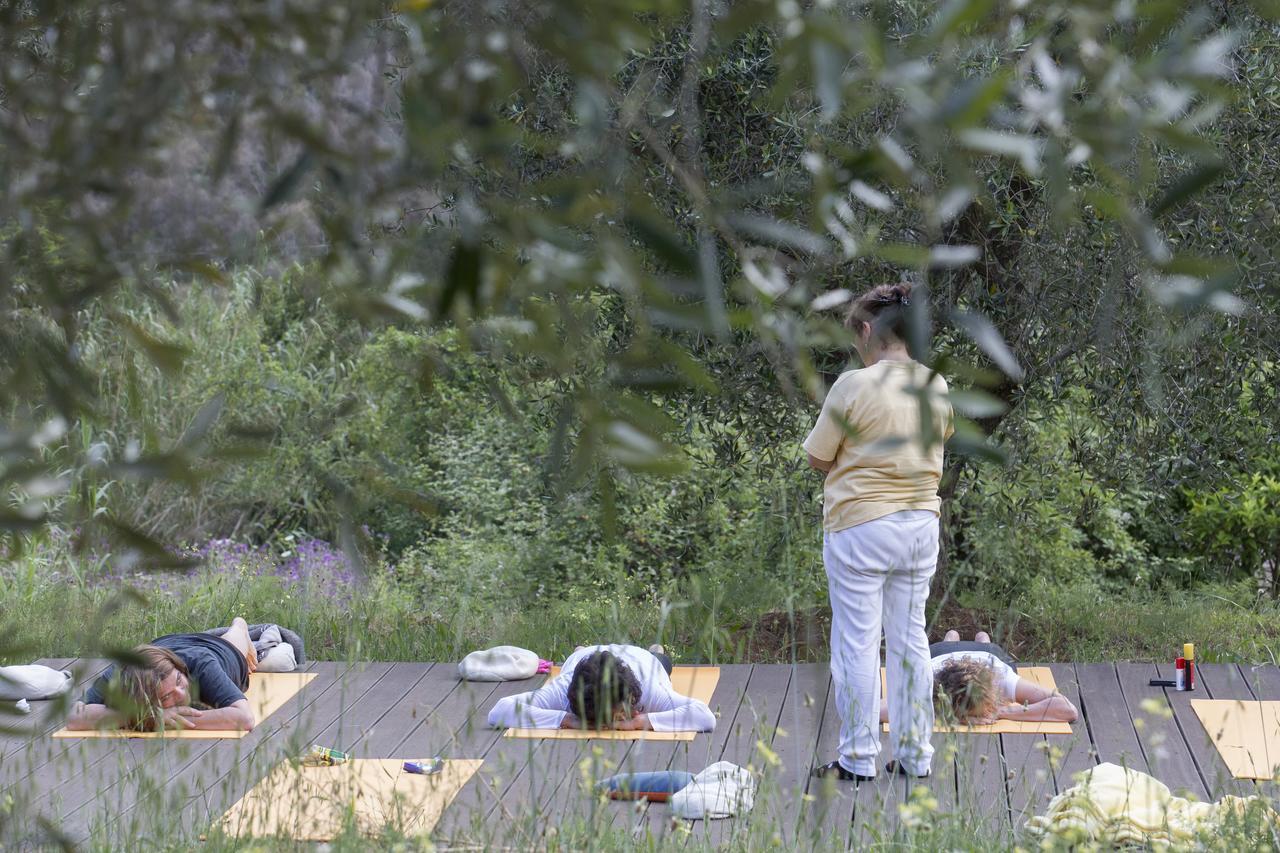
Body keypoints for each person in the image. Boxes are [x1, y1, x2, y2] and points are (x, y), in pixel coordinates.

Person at [806, 281, 953, 783]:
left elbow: (817, 456)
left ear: (867, 331)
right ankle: (916, 756)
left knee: (858, 643)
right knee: (910, 638)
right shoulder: (934, 385)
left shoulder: (854, 384)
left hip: (861, 527)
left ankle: (858, 758)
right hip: (920, 526)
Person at [66, 617, 259, 732]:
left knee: (236, 638)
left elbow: (245, 718)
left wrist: (172, 720)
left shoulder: (203, 665)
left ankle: (239, 625)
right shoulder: (121, 673)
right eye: (167, 696)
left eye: (179, 681)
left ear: (179, 668)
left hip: (220, 649)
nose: (181, 694)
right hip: (163, 644)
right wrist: (146, 717)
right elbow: (75, 718)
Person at [486, 643, 714, 732]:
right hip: (586, 657)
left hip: (643, 658)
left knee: (663, 660)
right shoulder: (563, 688)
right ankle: (580, 650)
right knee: (580, 655)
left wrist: (640, 722)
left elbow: (704, 716)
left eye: (618, 716)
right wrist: (566, 719)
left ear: (633, 699)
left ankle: (657, 650)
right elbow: (499, 711)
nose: (611, 725)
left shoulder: (649, 687)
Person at [889, 630, 1078, 726]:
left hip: (988, 655)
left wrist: (1002, 713)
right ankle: (957, 636)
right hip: (941, 656)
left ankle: (975, 637)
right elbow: (886, 708)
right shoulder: (931, 682)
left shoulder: (1001, 678)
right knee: (952, 638)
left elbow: (1068, 709)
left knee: (982, 638)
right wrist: (951, 716)